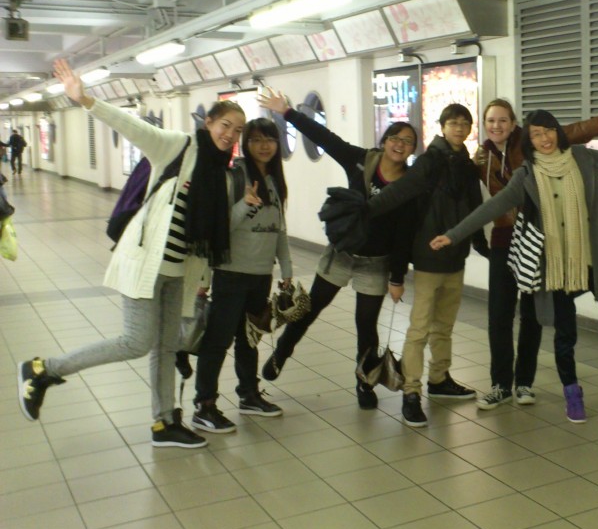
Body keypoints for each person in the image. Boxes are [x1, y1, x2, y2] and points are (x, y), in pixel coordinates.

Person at [18, 59, 245, 449]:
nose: (230, 134)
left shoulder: (220, 172)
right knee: (135, 342)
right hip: (145, 264)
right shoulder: (177, 146)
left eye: (238, 130)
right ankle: (43, 369)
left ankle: (164, 423)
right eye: (225, 125)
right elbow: (133, 127)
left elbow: (208, 235)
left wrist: (202, 282)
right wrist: (85, 99)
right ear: (208, 122)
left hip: (179, 271)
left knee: (166, 346)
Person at [431, 109, 598, 424]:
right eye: (536, 134)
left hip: (592, 260)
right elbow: (492, 207)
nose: (544, 138)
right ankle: (572, 393)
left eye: (548, 130)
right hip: (556, 267)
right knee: (565, 335)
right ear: (529, 140)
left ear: (557, 131)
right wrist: (453, 235)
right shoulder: (527, 174)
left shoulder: (583, 158)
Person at [257, 89, 417, 410]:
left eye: (408, 141)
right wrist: (288, 113)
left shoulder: (410, 184)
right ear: (384, 140)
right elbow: (325, 138)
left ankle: (364, 382)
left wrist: (397, 277)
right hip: (342, 252)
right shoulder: (361, 160)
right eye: (395, 138)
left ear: (413, 149)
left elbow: (405, 234)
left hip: (376, 261)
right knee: (311, 308)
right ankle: (282, 352)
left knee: (366, 325)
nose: (400, 145)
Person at [366, 103, 488, 427]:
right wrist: (364, 211)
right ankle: (411, 392)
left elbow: (475, 208)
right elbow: (399, 193)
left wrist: (480, 245)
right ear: (442, 126)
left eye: (465, 123)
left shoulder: (466, 165)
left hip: (456, 258)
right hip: (427, 259)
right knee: (419, 329)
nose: (459, 128)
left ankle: (439, 379)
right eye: (453, 123)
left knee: (444, 326)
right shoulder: (428, 162)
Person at [191, 117, 293, 433]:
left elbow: (279, 228)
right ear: (245, 144)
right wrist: (245, 204)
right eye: (256, 139)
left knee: (249, 339)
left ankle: (249, 394)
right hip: (231, 272)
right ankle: (205, 405)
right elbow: (220, 227)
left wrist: (286, 269)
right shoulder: (233, 176)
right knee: (217, 341)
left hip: (261, 274)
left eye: (270, 139)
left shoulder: (274, 181)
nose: (264, 146)